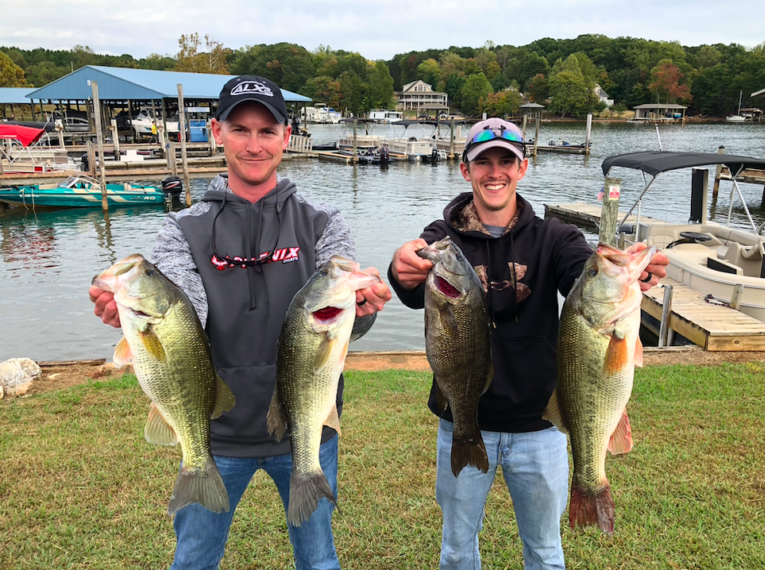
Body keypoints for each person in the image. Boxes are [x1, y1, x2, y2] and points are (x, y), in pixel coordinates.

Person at [89, 75, 392, 570]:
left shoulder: (324, 222)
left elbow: (341, 330)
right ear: (216, 132)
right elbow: (185, 313)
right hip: (215, 431)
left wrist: (363, 311)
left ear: (287, 136)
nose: (254, 145)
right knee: (193, 560)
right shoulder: (180, 228)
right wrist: (130, 312)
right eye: (240, 129)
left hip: (308, 427)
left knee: (318, 560)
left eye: (267, 131)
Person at [389, 118, 668, 570]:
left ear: (523, 168)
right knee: (457, 549)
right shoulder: (443, 238)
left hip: (541, 426)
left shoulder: (555, 236)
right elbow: (410, 280)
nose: (494, 172)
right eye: (483, 162)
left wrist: (626, 278)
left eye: (506, 161)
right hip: (464, 420)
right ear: (465, 170)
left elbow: (580, 271)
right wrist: (399, 269)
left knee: (544, 550)